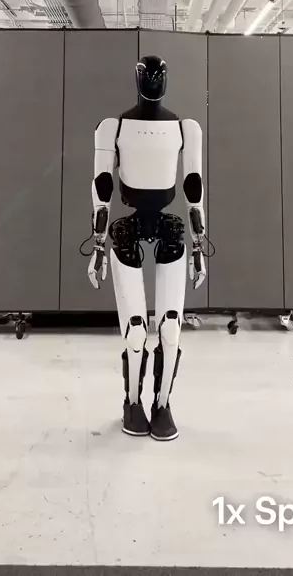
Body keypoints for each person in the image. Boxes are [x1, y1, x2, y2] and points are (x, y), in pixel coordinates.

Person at [87, 55, 207, 441]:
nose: (154, 81)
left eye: (158, 76)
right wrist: (98, 244)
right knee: (137, 330)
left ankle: (163, 403)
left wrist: (199, 245)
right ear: (137, 79)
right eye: (147, 76)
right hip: (127, 228)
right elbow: (103, 185)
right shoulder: (113, 127)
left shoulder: (186, 128)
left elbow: (193, 186)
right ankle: (132, 401)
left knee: (170, 328)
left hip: (171, 229)